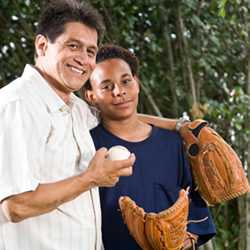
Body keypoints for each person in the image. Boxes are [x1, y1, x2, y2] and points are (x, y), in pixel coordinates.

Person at [0, 2, 138, 250]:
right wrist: (91, 178)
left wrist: (181, 126)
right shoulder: (18, 104)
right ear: (42, 46)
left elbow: (118, 113)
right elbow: (15, 205)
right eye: (73, 46)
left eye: (90, 51)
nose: (83, 59)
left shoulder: (75, 108)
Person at [84, 44, 216, 250]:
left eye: (126, 81)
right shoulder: (86, 145)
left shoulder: (173, 143)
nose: (119, 92)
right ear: (91, 96)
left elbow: (196, 209)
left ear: (136, 83)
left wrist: (185, 241)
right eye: (106, 86)